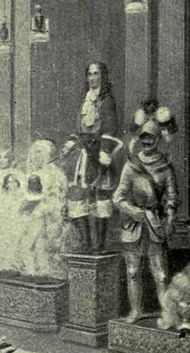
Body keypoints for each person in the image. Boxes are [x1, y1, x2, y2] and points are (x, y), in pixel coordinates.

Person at [113, 120, 178, 327]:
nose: (147, 142)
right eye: (143, 138)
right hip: (133, 225)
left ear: (158, 139)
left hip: (155, 224)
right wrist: (133, 211)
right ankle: (135, 310)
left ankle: (167, 314)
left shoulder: (165, 167)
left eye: (151, 138)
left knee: (161, 274)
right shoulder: (131, 166)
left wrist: (170, 216)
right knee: (132, 272)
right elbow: (118, 197)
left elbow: (172, 197)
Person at [63, 62, 120, 252]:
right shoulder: (84, 100)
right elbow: (78, 128)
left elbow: (110, 128)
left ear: (103, 77)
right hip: (83, 154)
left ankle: (99, 243)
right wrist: (71, 142)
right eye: (90, 74)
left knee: (100, 196)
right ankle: (85, 241)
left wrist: (104, 152)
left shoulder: (107, 101)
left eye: (96, 74)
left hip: (98, 152)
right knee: (78, 194)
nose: (93, 78)